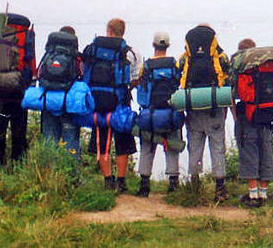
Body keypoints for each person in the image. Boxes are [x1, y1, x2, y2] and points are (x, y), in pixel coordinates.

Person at [85, 18, 142, 192]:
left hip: (97, 101)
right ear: (122, 32)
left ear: (108, 30)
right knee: (122, 141)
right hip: (120, 102)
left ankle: (108, 180)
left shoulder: (93, 49)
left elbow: (84, 69)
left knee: (102, 142)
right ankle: (122, 182)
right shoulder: (131, 53)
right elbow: (136, 78)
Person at [178, 24, 230, 202]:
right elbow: (228, 80)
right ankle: (220, 188)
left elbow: (178, 80)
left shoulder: (185, 59)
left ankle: (194, 185)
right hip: (215, 108)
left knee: (195, 147)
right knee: (217, 148)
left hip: (193, 109)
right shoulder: (220, 57)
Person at [231, 40, 273, 207]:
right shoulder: (270, 65)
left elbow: (236, 93)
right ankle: (264, 192)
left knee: (249, 151)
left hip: (248, 114)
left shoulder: (242, 67)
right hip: (269, 113)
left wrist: (235, 115)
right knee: (266, 150)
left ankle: (253, 196)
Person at [136, 32, 184, 197]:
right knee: (171, 146)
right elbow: (179, 86)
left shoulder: (147, 65)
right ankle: (173, 183)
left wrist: (144, 108)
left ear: (153, 45)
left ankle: (144, 184)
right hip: (171, 113)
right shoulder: (173, 64)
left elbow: (142, 93)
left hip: (151, 113)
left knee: (147, 147)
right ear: (168, 46)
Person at [0, 13, 36, 166]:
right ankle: (18, 163)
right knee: (19, 129)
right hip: (18, 93)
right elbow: (31, 66)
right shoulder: (26, 38)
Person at [39, 26, 81, 162]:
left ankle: (48, 172)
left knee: (49, 138)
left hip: (49, 101)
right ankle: (71, 175)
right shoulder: (76, 58)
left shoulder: (49, 55)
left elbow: (39, 74)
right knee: (71, 139)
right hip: (68, 104)